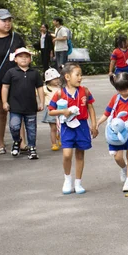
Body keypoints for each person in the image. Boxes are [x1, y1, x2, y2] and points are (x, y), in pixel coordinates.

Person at [48, 63, 99, 195]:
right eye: (77, 75)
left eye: (81, 75)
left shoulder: (85, 91)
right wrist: (63, 111)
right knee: (67, 154)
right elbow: (51, 111)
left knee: (80, 154)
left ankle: (78, 182)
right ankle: (67, 179)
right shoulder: (60, 93)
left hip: (82, 126)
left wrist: (94, 125)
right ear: (67, 77)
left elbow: (90, 108)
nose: (80, 77)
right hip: (66, 127)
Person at [1, 47, 44, 160]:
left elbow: (40, 88)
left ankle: (32, 148)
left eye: (26, 57)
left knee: (31, 129)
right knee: (14, 126)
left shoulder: (34, 73)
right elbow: (5, 87)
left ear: (30, 59)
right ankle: (17, 141)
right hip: (15, 106)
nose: (24, 59)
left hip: (30, 107)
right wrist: (5, 102)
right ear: (15, 59)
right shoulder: (11, 72)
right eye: (21, 57)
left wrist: (42, 102)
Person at [0, 9, 26, 155]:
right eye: (4, 20)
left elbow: (25, 57)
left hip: (16, 81)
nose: (7, 23)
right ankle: (0, 143)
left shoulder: (16, 38)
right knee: (1, 113)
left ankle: (21, 142)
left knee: (18, 111)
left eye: (9, 20)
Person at [42, 68, 61, 151]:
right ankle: (53, 143)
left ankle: (60, 139)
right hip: (51, 109)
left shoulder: (61, 88)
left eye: (57, 78)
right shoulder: (45, 88)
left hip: (61, 109)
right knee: (53, 128)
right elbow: (37, 92)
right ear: (48, 80)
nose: (57, 81)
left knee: (62, 126)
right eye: (54, 79)